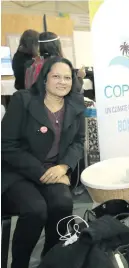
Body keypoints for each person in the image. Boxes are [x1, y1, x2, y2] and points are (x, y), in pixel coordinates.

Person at [1, 56, 86, 268]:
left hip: (54, 170)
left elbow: (78, 141)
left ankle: (51, 259)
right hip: (19, 171)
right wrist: (42, 172)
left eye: (67, 77)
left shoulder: (76, 104)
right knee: (36, 210)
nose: (62, 81)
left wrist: (64, 166)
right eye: (56, 76)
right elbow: (7, 145)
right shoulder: (23, 100)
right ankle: (19, 263)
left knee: (63, 204)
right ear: (45, 79)